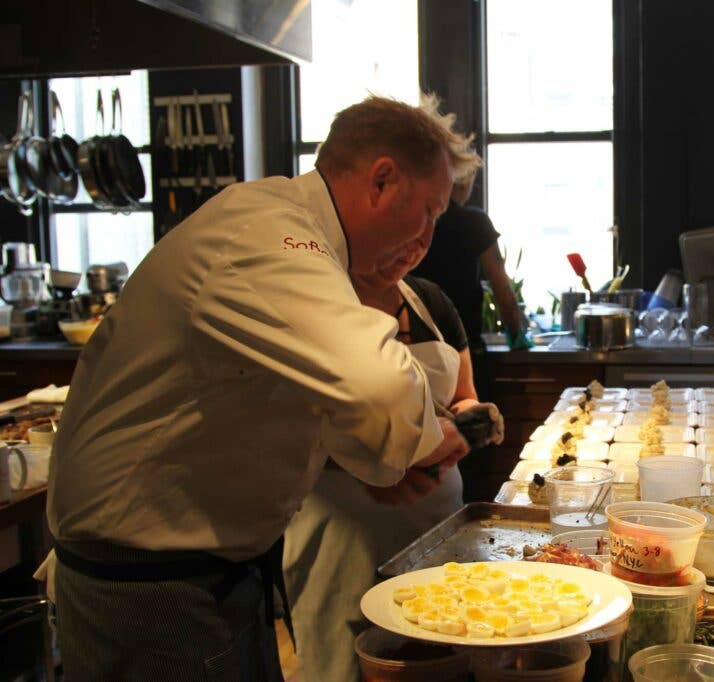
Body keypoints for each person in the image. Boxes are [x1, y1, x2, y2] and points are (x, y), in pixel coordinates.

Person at [44, 95, 481, 680]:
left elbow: (310, 409)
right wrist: (424, 442)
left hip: (210, 573)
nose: (428, 237)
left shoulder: (301, 240)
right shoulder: (268, 231)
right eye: (428, 211)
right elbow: (378, 389)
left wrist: (384, 462)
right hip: (150, 589)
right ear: (381, 180)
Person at [283, 259, 504, 679]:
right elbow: (289, 423)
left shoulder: (431, 302)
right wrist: (375, 464)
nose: (420, 236)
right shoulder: (314, 302)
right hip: (340, 527)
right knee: (339, 658)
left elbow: (463, 396)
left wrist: (468, 426)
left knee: (438, 647)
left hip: (435, 521)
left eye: (431, 217)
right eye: (413, 213)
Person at [412, 170, 529, 351]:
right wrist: (517, 336)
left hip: (418, 344)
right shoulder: (475, 222)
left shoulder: (415, 217)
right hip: (464, 344)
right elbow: (503, 291)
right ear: (464, 182)